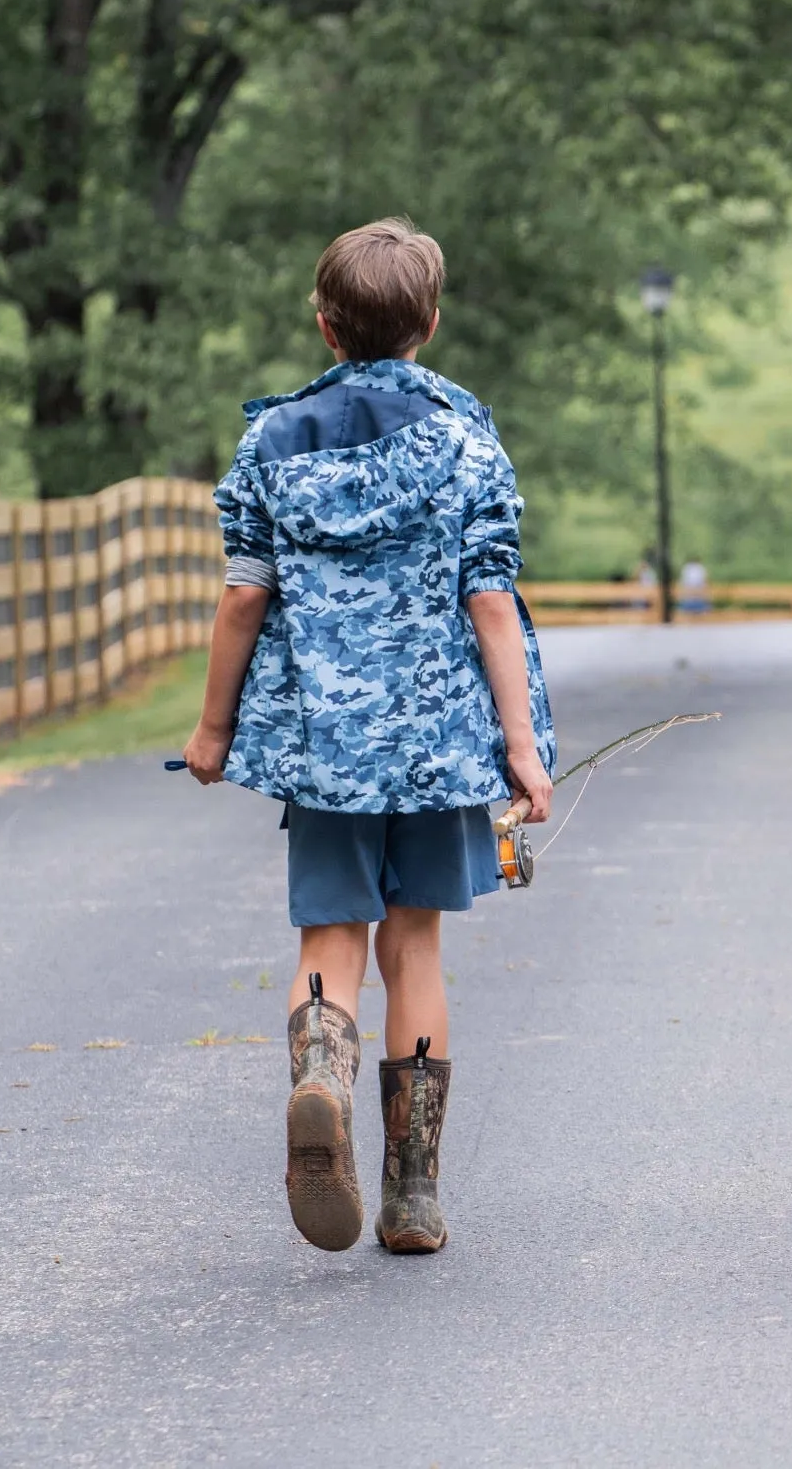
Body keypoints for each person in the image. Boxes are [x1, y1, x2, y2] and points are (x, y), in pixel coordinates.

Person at [182, 217, 556, 1256]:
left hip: (323, 745)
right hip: (436, 744)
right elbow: (491, 598)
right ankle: (413, 1194)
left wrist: (213, 729)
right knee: (417, 943)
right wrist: (520, 747)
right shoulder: (465, 441)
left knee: (330, 939)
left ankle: (318, 1072)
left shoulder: (269, 443)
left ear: (323, 323)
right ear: (429, 325)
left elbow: (240, 603)